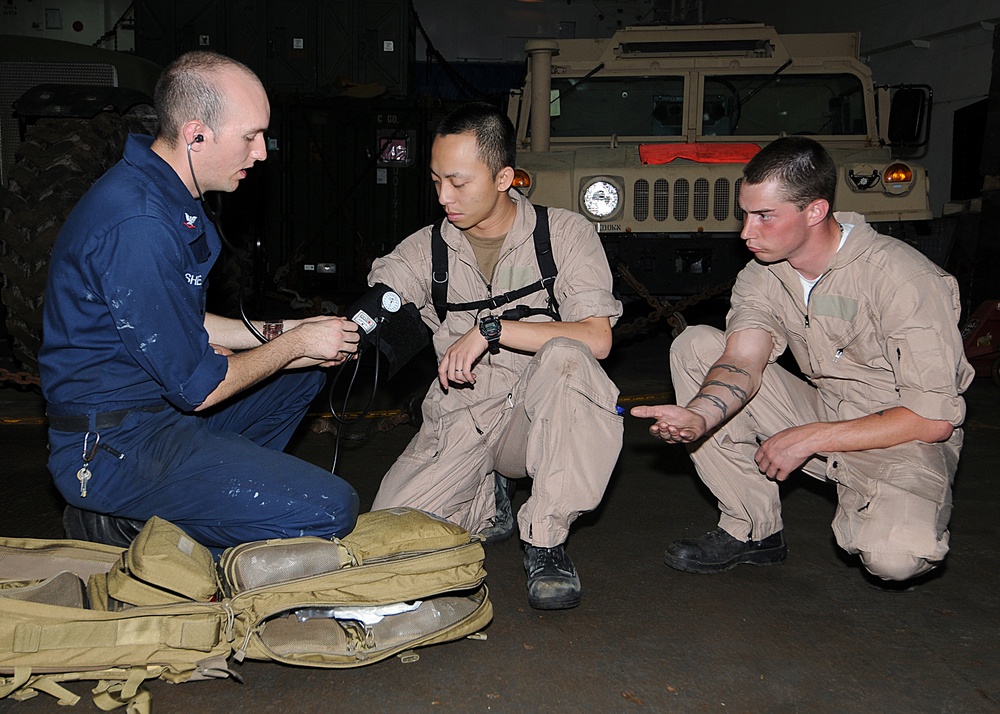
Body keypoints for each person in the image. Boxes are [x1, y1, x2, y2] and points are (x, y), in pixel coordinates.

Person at [39, 51, 361, 552]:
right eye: (250, 137)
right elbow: (200, 391)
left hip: (155, 416)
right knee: (332, 509)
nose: (261, 153)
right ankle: (126, 526)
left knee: (305, 369)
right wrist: (294, 341)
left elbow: (181, 320)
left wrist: (285, 333)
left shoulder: (171, 193)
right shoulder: (139, 225)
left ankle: (213, 488)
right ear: (196, 135)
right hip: (113, 447)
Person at [632, 136, 974, 587]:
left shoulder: (902, 277)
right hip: (825, 409)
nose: (745, 233)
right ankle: (753, 529)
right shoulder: (763, 274)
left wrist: (810, 438)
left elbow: (933, 419)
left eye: (764, 217)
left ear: (814, 211)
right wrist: (699, 415)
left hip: (902, 436)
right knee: (697, 343)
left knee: (895, 558)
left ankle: (885, 505)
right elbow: (741, 360)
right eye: (745, 214)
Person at [367, 102, 624, 609]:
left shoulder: (565, 235)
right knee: (386, 544)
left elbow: (598, 338)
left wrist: (492, 330)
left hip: (538, 414)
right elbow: (380, 297)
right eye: (436, 180)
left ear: (504, 177)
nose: (444, 197)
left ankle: (546, 540)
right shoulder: (425, 250)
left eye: (459, 183)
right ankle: (489, 502)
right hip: (463, 419)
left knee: (568, 358)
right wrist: (319, 333)